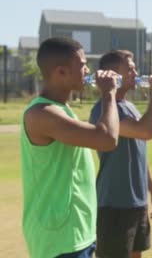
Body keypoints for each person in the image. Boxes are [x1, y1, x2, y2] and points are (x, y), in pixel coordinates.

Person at [21, 36, 120, 258]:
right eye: (83, 64)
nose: (88, 70)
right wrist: (109, 94)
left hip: (76, 231)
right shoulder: (43, 113)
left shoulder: (62, 110)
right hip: (59, 238)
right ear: (61, 72)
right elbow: (107, 139)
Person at [88, 50, 152, 258]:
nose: (136, 72)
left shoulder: (129, 106)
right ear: (114, 74)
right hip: (114, 202)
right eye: (130, 68)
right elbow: (147, 131)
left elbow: (140, 151)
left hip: (137, 202)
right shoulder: (103, 110)